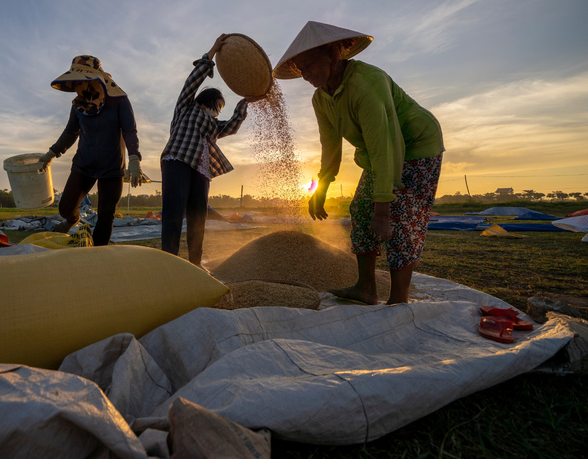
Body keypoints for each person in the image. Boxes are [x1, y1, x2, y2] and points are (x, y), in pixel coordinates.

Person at [273, 21, 445, 305]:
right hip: (378, 152)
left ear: (334, 54)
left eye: (309, 64)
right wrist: (320, 189)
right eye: (299, 69)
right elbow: (330, 148)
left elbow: (386, 145)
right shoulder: (321, 99)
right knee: (361, 208)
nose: (304, 74)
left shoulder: (367, 83)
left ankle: (398, 299)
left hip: (417, 146)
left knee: (401, 218)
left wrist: (383, 210)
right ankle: (366, 288)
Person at [160, 34, 255, 270]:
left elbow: (231, 126)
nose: (219, 111)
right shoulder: (187, 107)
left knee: (198, 216)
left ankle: (195, 263)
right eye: (218, 106)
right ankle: (167, 263)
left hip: (201, 169)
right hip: (178, 161)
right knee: (173, 211)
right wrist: (212, 52)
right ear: (207, 102)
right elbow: (192, 81)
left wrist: (246, 102)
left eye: (222, 108)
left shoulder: (213, 127)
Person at [39, 55, 143, 246]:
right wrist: (51, 153)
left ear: (96, 78)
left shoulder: (119, 100)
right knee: (65, 207)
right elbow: (70, 132)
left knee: (106, 214)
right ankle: (73, 220)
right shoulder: (78, 105)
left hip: (112, 167)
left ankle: (97, 254)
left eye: (81, 80)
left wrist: (134, 158)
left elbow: (129, 131)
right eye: (75, 82)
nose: (78, 86)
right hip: (84, 165)